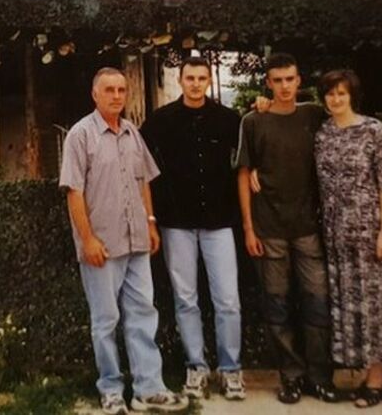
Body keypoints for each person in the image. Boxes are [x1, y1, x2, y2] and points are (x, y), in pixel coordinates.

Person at [59, 67, 188, 414]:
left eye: (121, 90)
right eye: (109, 90)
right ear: (95, 94)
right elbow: (74, 192)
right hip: (102, 246)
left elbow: (143, 180)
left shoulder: (132, 132)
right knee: (105, 321)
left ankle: (148, 389)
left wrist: (150, 223)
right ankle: (111, 390)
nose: (117, 96)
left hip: (136, 244)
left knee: (143, 314)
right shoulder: (80, 135)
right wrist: (87, 240)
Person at [236, 52, 339, 405]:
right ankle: (291, 378)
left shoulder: (313, 114)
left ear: (299, 80)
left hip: (308, 227)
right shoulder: (253, 121)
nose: (284, 86)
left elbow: (348, 119)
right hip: (269, 229)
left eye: (290, 79)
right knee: (277, 307)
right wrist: (249, 228)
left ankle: (320, 377)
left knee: (318, 302)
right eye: (277, 80)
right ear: (267, 82)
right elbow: (242, 174)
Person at [140, 56, 245, 400]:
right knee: (186, 300)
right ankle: (196, 367)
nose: (196, 83)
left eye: (202, 78)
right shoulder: (161, 121)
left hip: (219, 223)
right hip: (177, 223)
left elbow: (248, 158)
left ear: (209, 80)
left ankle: (230, 370)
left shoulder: (229, 120)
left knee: (227, 300)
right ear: (181, 80)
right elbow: (139, 161)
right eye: (190, 78)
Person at [313, 69, 382, 408]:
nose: (335, 99)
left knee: (376, 305)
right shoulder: (323, 133)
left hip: (371, 231)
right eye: (329, 93)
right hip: (337, 234)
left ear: (352, 95)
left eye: (341, 93)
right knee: (350, 304)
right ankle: (361, 370)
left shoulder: (374, 130)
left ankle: (377, 376)